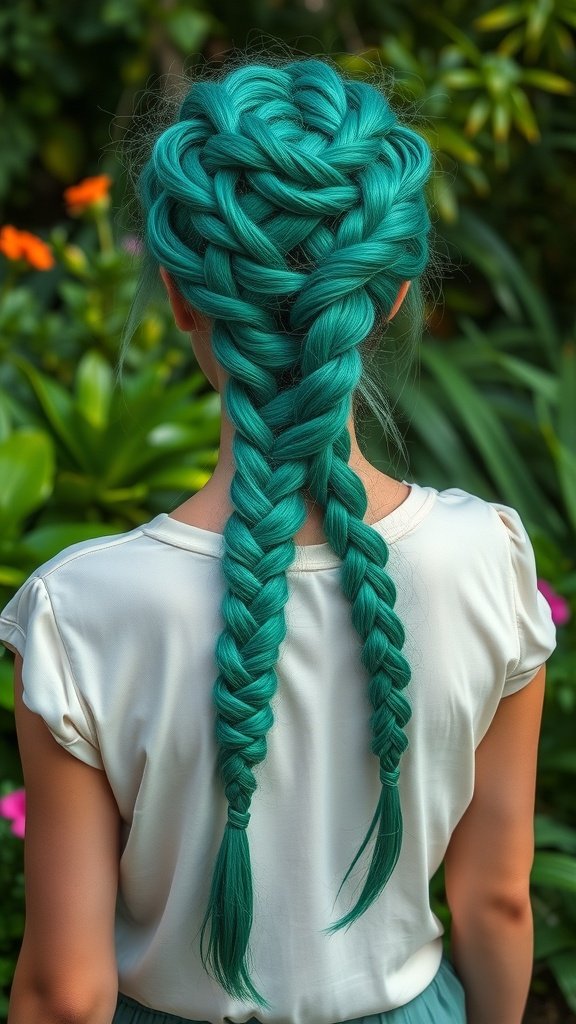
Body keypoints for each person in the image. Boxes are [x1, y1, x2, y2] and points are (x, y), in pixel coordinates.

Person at [0, 57, 556, 1024]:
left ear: (180, 300)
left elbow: (65, 990)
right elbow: (497, 901)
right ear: (388, 300)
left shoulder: (79, 611)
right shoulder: (488, 560)